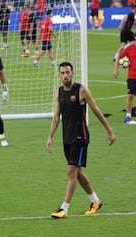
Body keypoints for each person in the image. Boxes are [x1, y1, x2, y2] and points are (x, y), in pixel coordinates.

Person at [47, 62, 116, 218]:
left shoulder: (81, 90)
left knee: (71, 171)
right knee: (77, 173)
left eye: (67, 72)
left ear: (72, 74)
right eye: (62, 73)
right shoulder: (58, 93)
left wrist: (109, 131)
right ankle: (95, 201)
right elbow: (56, 117)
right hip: (67, 138)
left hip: (80, 137)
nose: (65, 75)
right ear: (59, 75)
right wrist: (50, 137)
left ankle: (64, 208)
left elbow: (96, 110)